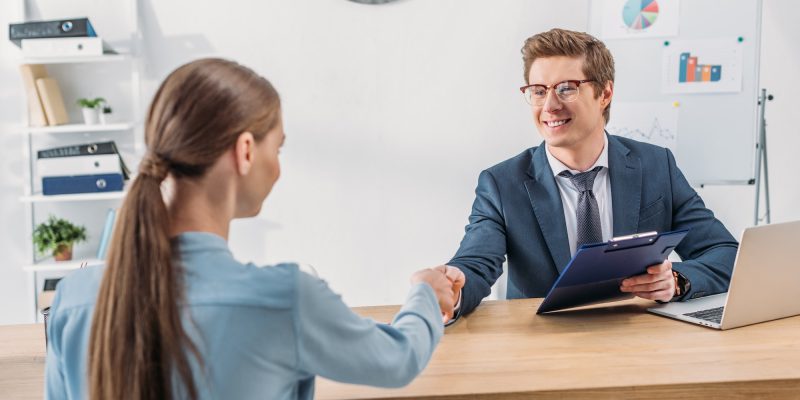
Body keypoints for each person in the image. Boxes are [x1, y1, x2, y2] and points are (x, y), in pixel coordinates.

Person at [44, 58, 464, 400]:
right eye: (277, 147)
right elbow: (398, 359)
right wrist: (425, 292)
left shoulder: (73, 300)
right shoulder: (284, 298)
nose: (278, 165)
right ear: (245, 150)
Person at [440, 29, 738, 319]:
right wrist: (452, 287)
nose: (550, 105)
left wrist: (677, 279)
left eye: (566, 88)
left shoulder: (656, 165)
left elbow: (725, 252)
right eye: (538, 91)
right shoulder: (502, 184)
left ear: (605, 93)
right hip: (543, 349)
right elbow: (475, 264)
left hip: (640, 343)